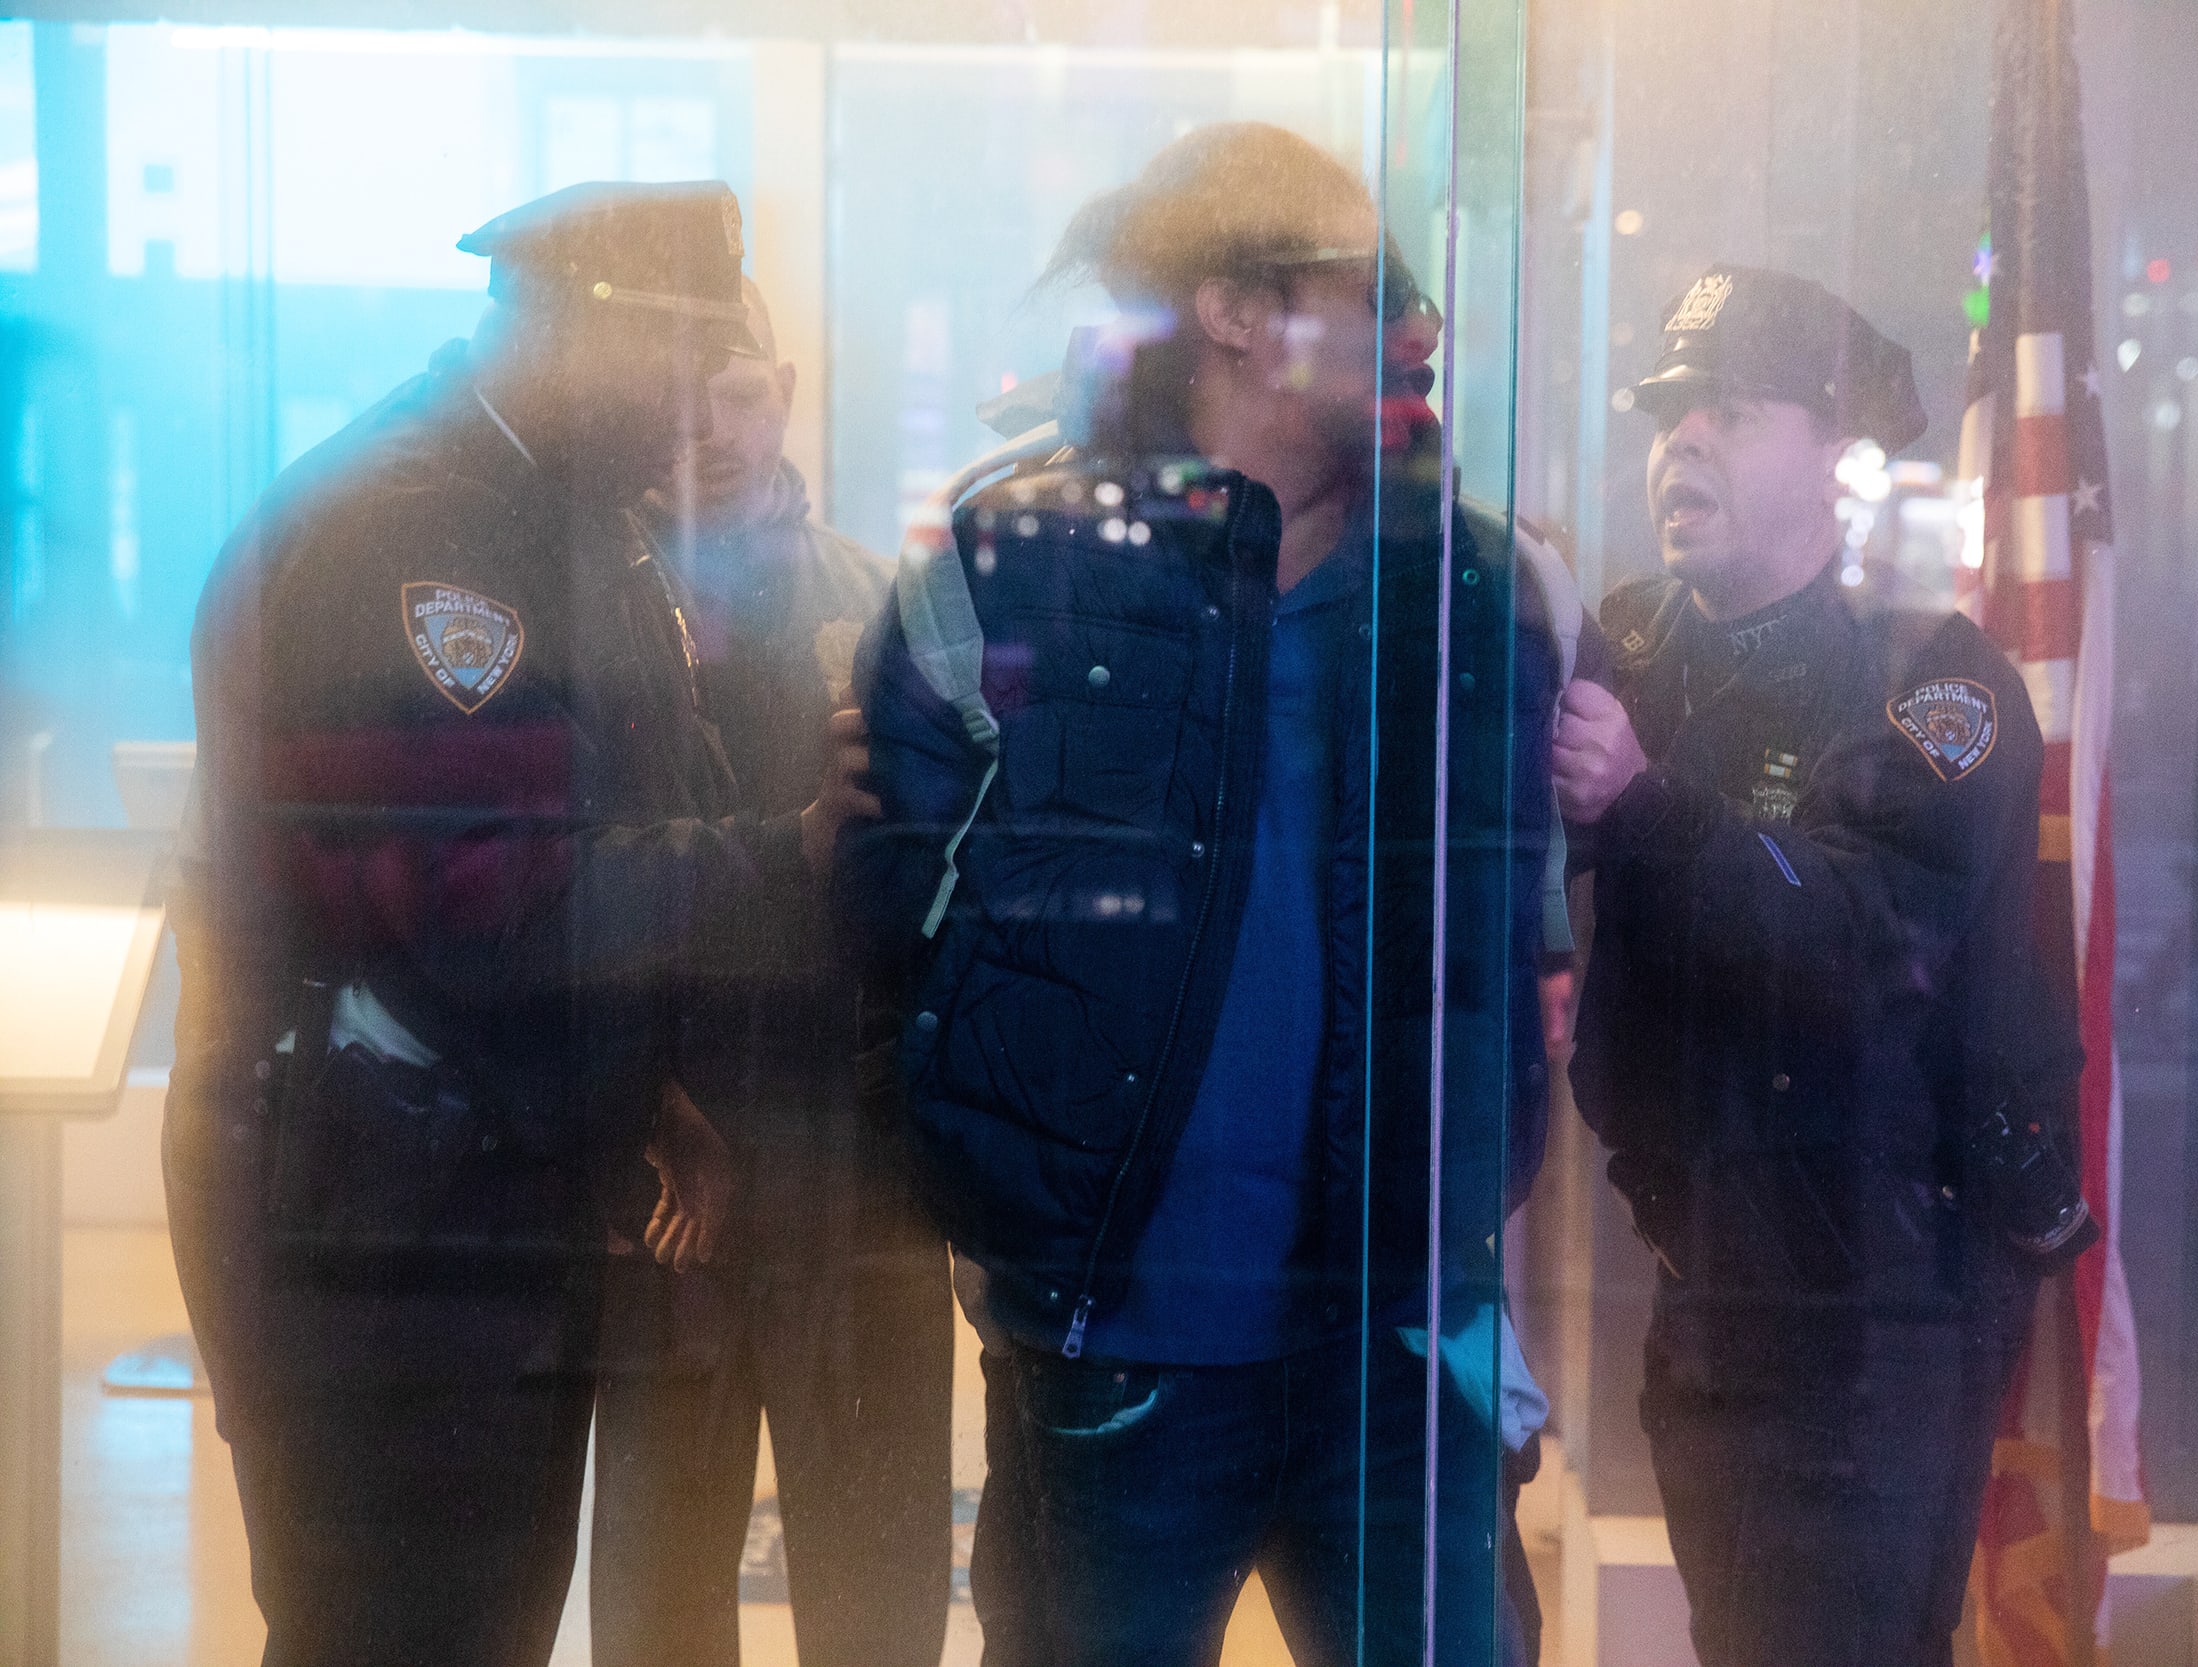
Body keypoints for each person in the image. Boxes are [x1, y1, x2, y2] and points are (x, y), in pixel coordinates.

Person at [841, 122, 1558, 1666]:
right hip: (1115, 1346)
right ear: (1233, 310)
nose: (1422, 323)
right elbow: (885, 922)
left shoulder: (1477, 590)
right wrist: (1001, 1211)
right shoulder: (1005, 562)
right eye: (1375, 288)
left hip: (1398, 1347)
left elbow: (1533, 937)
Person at [164, 182, 872, 1667]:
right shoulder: (415, 534)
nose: (697, 413)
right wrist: (788, 854)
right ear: (576, 335)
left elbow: (596, 811)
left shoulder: (556, 511)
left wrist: (644, 1085)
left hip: (472, 1217)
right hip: (381, 1252)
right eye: (676, 366)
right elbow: (490, 909)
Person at [1553, 265, 2089, 1667]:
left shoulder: (1942, 687)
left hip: (1879, 1310)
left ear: (1838, 454)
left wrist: (1642, 803)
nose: (1682, 442)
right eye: (1669, 414)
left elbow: (1858, 951)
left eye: (1729, 411)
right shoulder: (1637, 644)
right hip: (1704, 1273)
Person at [587, 277, 952, 1667]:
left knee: (877, 1592)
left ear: (785, 395)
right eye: (678, 399)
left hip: (860, 1157)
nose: (708, 431)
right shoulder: (583, 611)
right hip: (654, 1153)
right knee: (658, 1594)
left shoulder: (888, 607)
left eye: (736, 393)